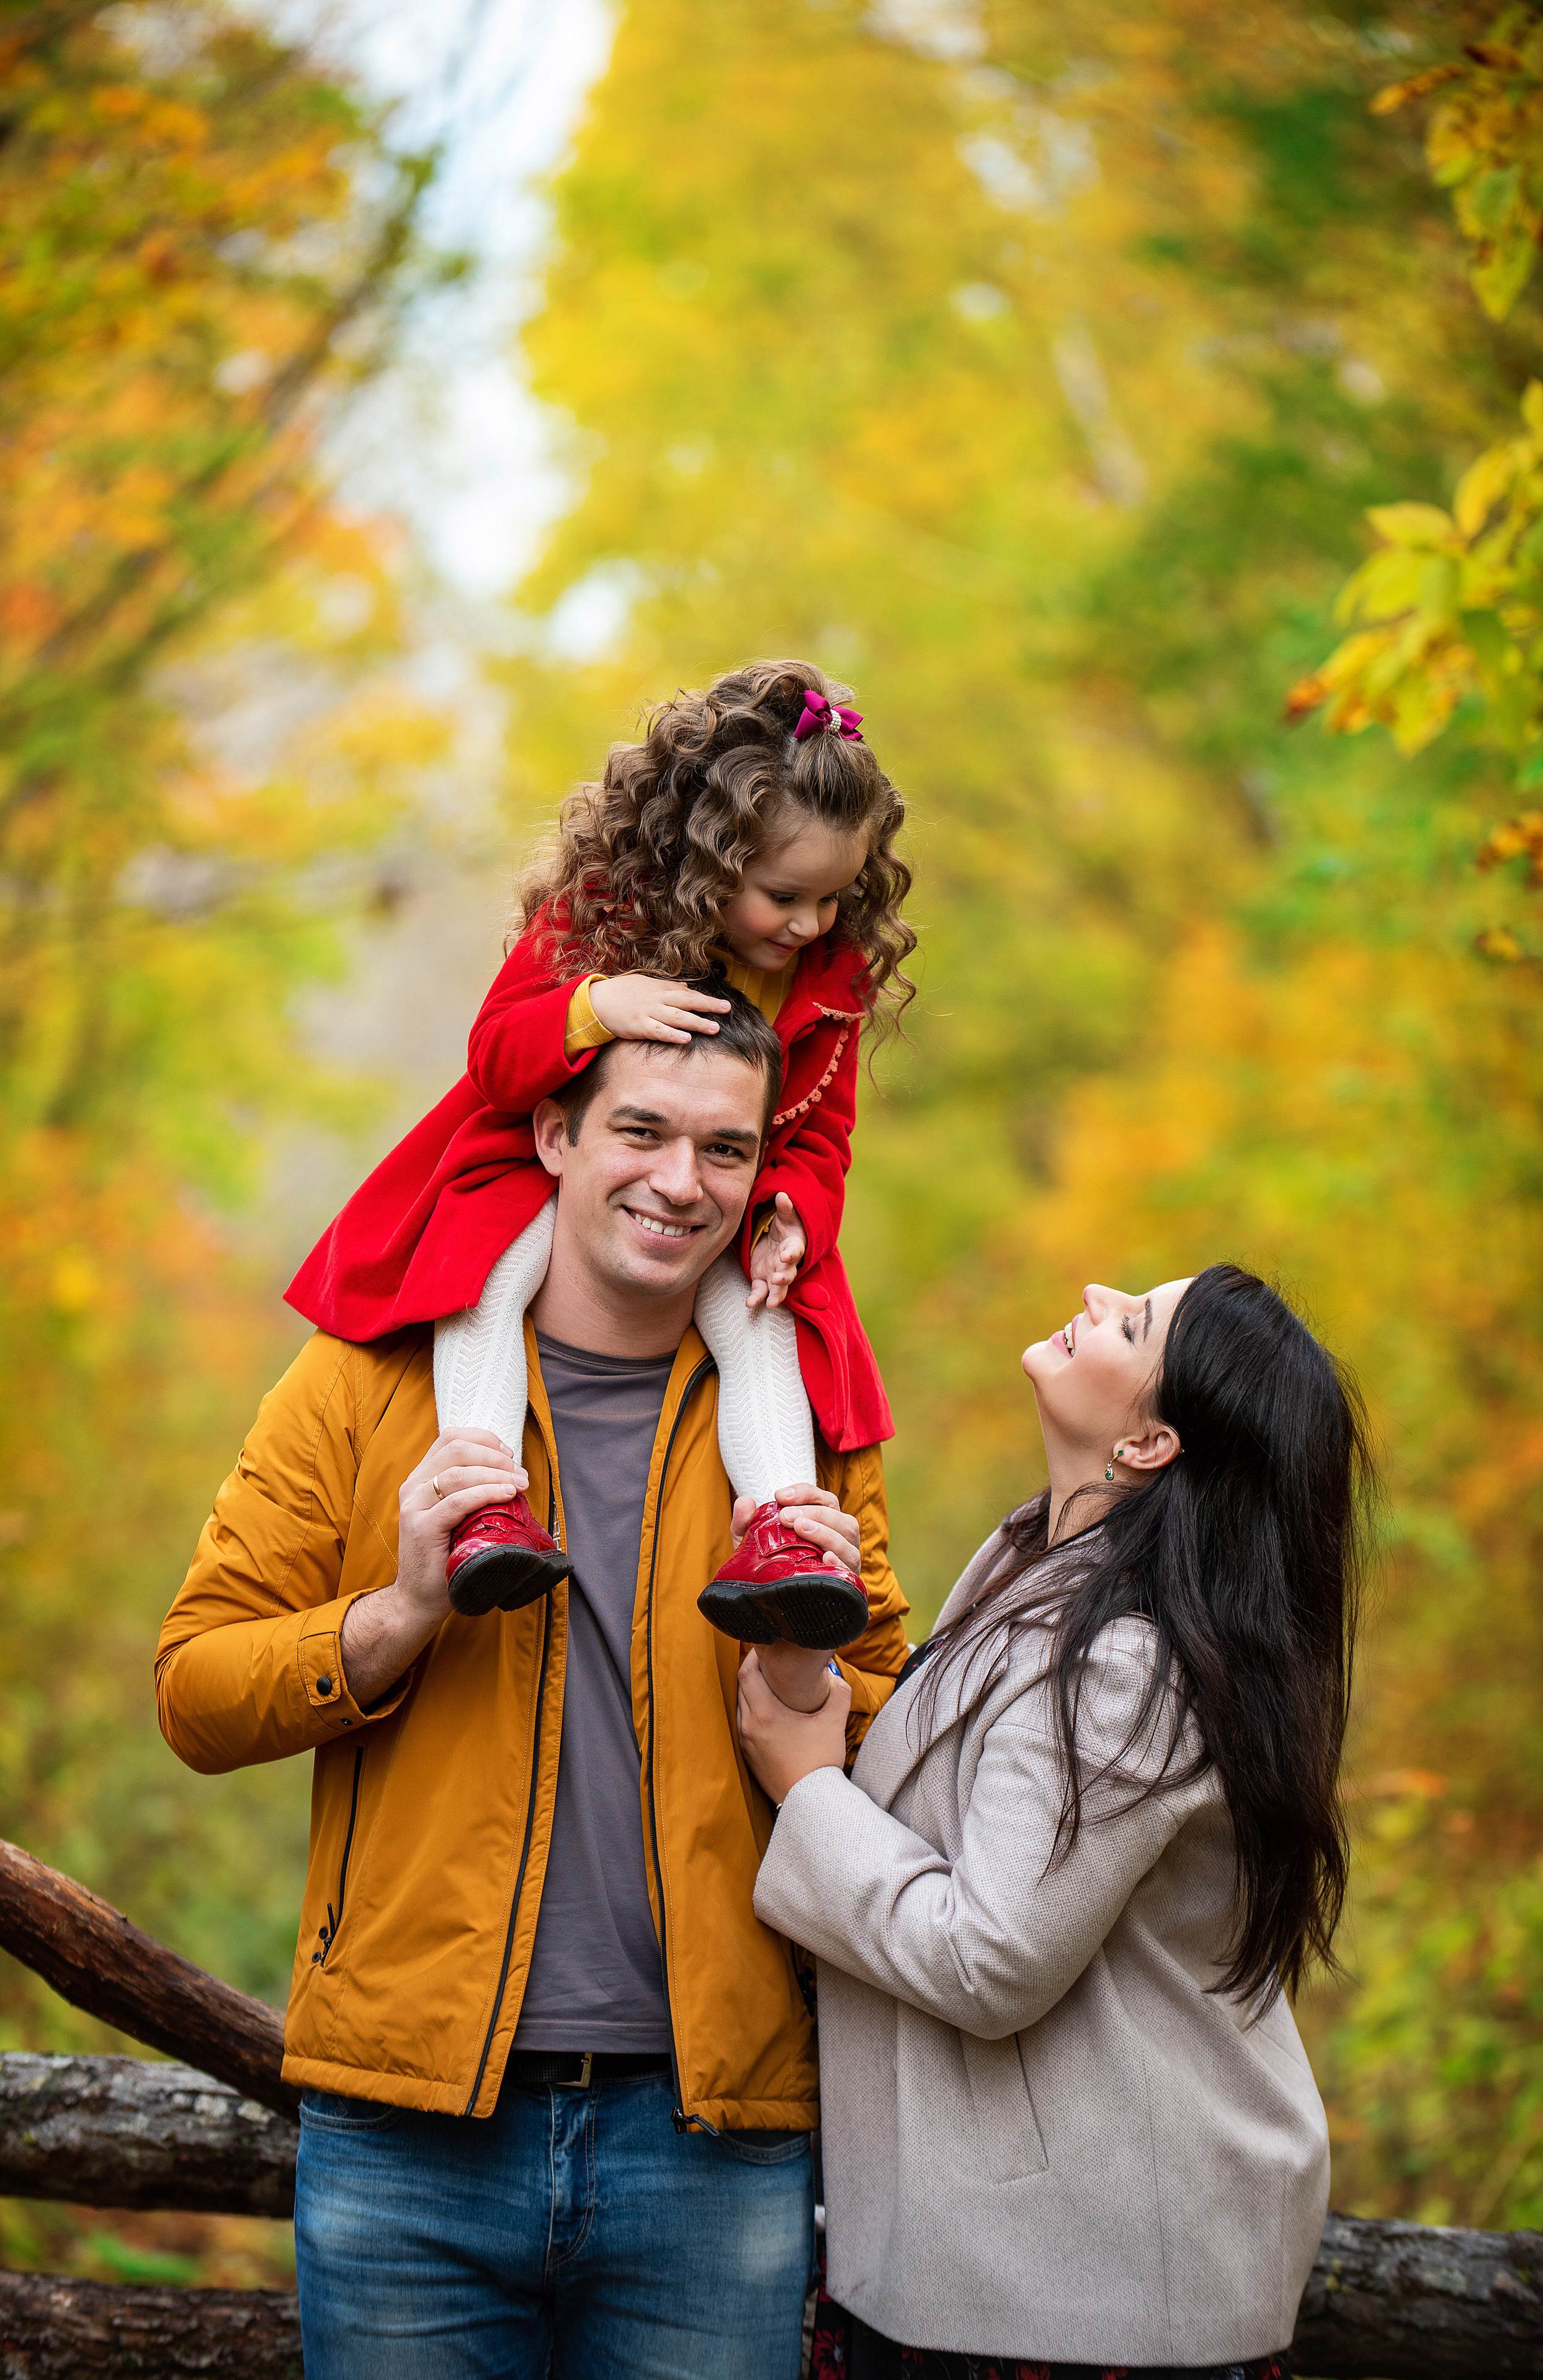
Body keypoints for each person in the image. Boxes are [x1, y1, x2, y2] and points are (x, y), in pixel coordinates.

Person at [155, 986, 910, 2380]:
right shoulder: (364, 1381)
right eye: (641, 1131)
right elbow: (195, 1692)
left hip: (715, 2133)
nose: (681, 1183)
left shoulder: (802, 1413)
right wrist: (398, 1613)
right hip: (410, 2128)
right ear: (555, 1134)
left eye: (726, 1150)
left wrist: (808, 1676)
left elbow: (897, 1742)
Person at [738, 1264, 1371, 2380]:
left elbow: (992, 1957)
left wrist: (808, 1789)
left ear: (1150, 1444)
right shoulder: (1044, 1570)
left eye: (1134, 1321)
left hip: (1078, 2285)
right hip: (1017, 2261)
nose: (1094, 1292)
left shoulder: (1126, 1659)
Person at [285, 658, 914, 1651]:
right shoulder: (606, 913)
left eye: (835, 899)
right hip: (537, 1160)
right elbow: (496, 1057)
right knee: (489, 1279)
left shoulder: (825, 977)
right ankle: (484, 1502)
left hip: (722, 1195)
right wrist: (596, 1006)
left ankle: (786, 1538)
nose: (808, 924)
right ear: (713, 857)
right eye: (785, 895)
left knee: (764, 1318)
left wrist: (796, 1213)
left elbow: (823, 1132)